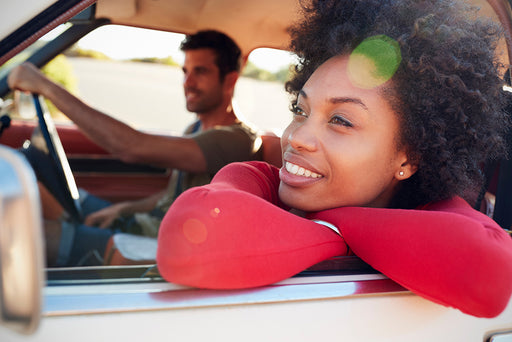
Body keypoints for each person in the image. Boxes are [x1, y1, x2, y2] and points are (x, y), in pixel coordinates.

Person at [156, 0, 512, 318]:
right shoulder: (260, 180)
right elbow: (189, 238)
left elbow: (489, 273)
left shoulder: (438, 212)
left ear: (410, 155)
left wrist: (330, 225)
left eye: (340, 120)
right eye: (300, 110)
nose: (296, 137)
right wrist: (334, 228)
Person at [8, 30, 262, 266]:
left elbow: (131, 147)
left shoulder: (238, 140)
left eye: (200, 72)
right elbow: (169, 198)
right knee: (36, 165)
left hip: (163, 243)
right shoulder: (194, 129)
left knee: (23, 235)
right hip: (146, 222)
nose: (188, 82)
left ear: (230, 80)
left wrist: (45, 86)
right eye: (185, 71)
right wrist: (123, 208)